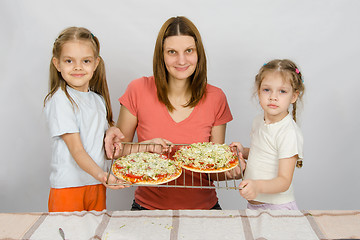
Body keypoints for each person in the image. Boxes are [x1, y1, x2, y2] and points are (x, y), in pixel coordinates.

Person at [104, 16, 237, 210]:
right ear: (161, 55)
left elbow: (214, 170)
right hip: (147, 209)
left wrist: (238, 169)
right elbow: (117, 153)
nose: (181, 60)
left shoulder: (216, 97)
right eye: (172, 52)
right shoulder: (137, 90)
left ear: (198, 53)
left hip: (205, 210)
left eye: (189, 51)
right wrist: (143, 146)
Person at [44, 27, 125, 212]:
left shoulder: (98, 99)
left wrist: (111, 130)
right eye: (69, 60)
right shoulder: (60, 100)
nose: (78, 67)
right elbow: (77, 150)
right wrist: (103, 176)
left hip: (95, 184)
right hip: (68, 187)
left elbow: (98, 135)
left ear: (96, 63)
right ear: (57, 64)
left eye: (86, 61)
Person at [231, 59, 305, 210]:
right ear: (258, 91)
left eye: (282, 91)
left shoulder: (288, 132)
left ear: (293, 96)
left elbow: (284, 181)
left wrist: (257, 186)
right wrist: (244, 151)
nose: (273, 97)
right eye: (267, 90)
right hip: (254, 206)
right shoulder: (259, 121)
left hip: (278, 208)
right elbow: (265, 153)